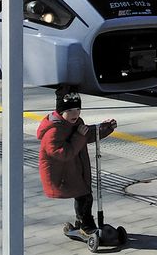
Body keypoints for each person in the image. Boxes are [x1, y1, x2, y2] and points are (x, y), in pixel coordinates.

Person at [37, 86, 117, 235]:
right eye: (70, 111)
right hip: (61, 174)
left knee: (84, 195)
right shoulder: (53, 131)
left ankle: (81, 222)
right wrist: (79, 136)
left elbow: (87, 134)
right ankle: (87, 226)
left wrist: (105, 128)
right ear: (61, 112)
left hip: (75, 171)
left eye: (78, 110)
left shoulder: (75, 122)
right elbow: (63, 153)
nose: (75, 114)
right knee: (84, 197)